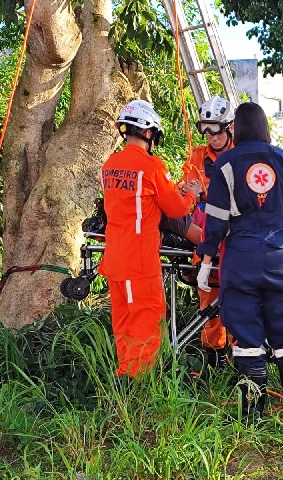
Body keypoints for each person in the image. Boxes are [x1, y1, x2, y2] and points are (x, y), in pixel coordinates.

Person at [196, 102, 283, 419]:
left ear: (236, 129)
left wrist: (206, 262)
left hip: (241, 259)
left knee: (246, 339)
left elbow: (216, 221)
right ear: (266, 128)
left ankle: (251, 418)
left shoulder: (226, 164)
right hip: (281, 257)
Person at [98, 99, 201, 378]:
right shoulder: (152, 166)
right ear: (148, 133)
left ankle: (124, 375)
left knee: (123, 322)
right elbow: (178, 209)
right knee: (146, 319)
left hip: (115, 258)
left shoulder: (110, 165)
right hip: (139, 261)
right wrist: (192, 193)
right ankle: (136, 384)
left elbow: (133, 199)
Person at [180, 95, 235, 371]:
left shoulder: (241, 155)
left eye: (217, 130)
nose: (211, 137)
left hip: (236, 237)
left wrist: (204, 194)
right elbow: (185, 186)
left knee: (239, 300)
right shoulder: (198, 156)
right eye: (206, 130)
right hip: (207, 236)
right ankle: (215, 357)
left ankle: (244, 359)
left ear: (229, 128)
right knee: (209, 298)